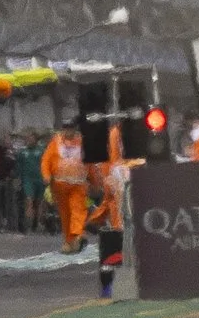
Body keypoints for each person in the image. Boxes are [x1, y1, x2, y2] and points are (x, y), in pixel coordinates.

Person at [93, 123, 131, 300]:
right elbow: (105, 191)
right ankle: (108, 285)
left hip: (132, 216)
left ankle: (114, 285)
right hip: (119, 218)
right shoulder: (110, 167)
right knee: (113, 248)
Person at [40, 114, 88, 250]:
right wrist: (46, 175)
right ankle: (69, 241)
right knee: (65, 214)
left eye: (71, 128)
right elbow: (46, 160)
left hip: (78, 183)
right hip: (59, 184)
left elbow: (89, 162)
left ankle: (78, 235)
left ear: (75, 129)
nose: (68, 131)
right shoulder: (56, 142)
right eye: (66, 128)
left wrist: (94, 180)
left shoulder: (81, 142)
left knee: (77, 209)